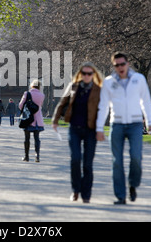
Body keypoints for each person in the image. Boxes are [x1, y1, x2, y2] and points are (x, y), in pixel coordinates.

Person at [96, 52, 151, 205]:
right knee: (117, 161)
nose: (120, 67)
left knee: (136, 157)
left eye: (122, 64)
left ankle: (133, 185)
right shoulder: (108, 82)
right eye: (117, 65)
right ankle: (120, 195)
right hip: (117, 124)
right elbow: (103, 106)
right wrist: (99, 128)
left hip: (135, 124)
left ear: (128, 64)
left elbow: (146, 102)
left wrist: (150, 122)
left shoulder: (139, 79)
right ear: (114, 66)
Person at [52, 62, 102, 203]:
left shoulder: (99, 89)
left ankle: (86, 194)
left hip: (90, 130)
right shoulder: (73, 86)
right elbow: (62, 103)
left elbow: (103, 109)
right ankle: (75, 191)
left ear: (93, 75)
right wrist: (55, 120)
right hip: (74, 128)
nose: (86, 76)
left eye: (89, 74)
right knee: (75, 159)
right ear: (80, 74)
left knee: (87, 164)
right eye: (84, 73)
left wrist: (100, 129)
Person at [19, 79, 45, 163]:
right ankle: (37, 156)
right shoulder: (42, 95)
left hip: (28, 119)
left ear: (32, 85)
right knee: (37, 138)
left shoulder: (27, 94)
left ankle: (26, 156)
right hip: (37, 120)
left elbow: (20, 105)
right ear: (39, 86)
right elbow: (40, 106)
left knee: (27, 138)